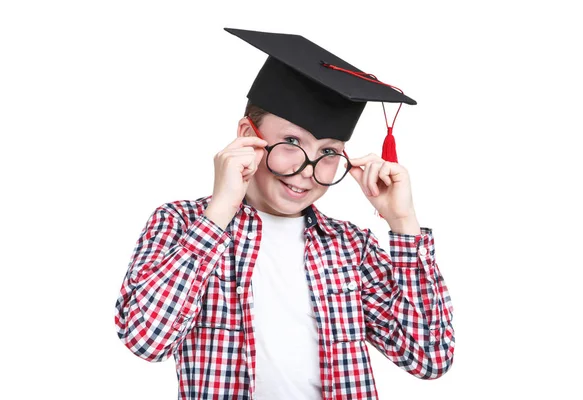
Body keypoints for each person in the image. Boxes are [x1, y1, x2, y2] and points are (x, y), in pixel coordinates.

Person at [114, 27, 455, 400]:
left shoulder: (351, 247)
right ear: (249, 135)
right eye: (292, 143)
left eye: (328, 151)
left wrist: (403, 224)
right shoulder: (180, 223)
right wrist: (218, 214)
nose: (308, 170)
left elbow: (428, 358)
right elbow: (145, 340)